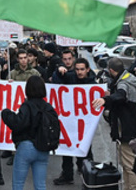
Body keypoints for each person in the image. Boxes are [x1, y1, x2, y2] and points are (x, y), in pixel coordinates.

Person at [91, 58, 136, 190]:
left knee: (129, 165)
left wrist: (105, 99)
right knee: (126, 165)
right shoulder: (128, 78)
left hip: (127, 131)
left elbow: (121, 95)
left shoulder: (123, 83)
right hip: (131, 128)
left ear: (112, 70)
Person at [1, 76, 54, 190]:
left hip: (26, 146)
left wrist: (6, 113)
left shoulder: (27, 106)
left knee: (18, 184)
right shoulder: (48, 107)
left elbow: (18, 123)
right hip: (44, 147)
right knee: (40, 185)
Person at [53, 56, 95, 186]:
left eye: (82, 69)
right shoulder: (70, 77)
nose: (79, 72)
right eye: (77, 69)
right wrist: (58, 70)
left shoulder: (93, 81)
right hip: (69, 121)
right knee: (66, 149)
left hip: (84, 123)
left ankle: (89, 175)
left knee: (85, 149)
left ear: (87, 69)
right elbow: (57, 80)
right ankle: (67, 175)